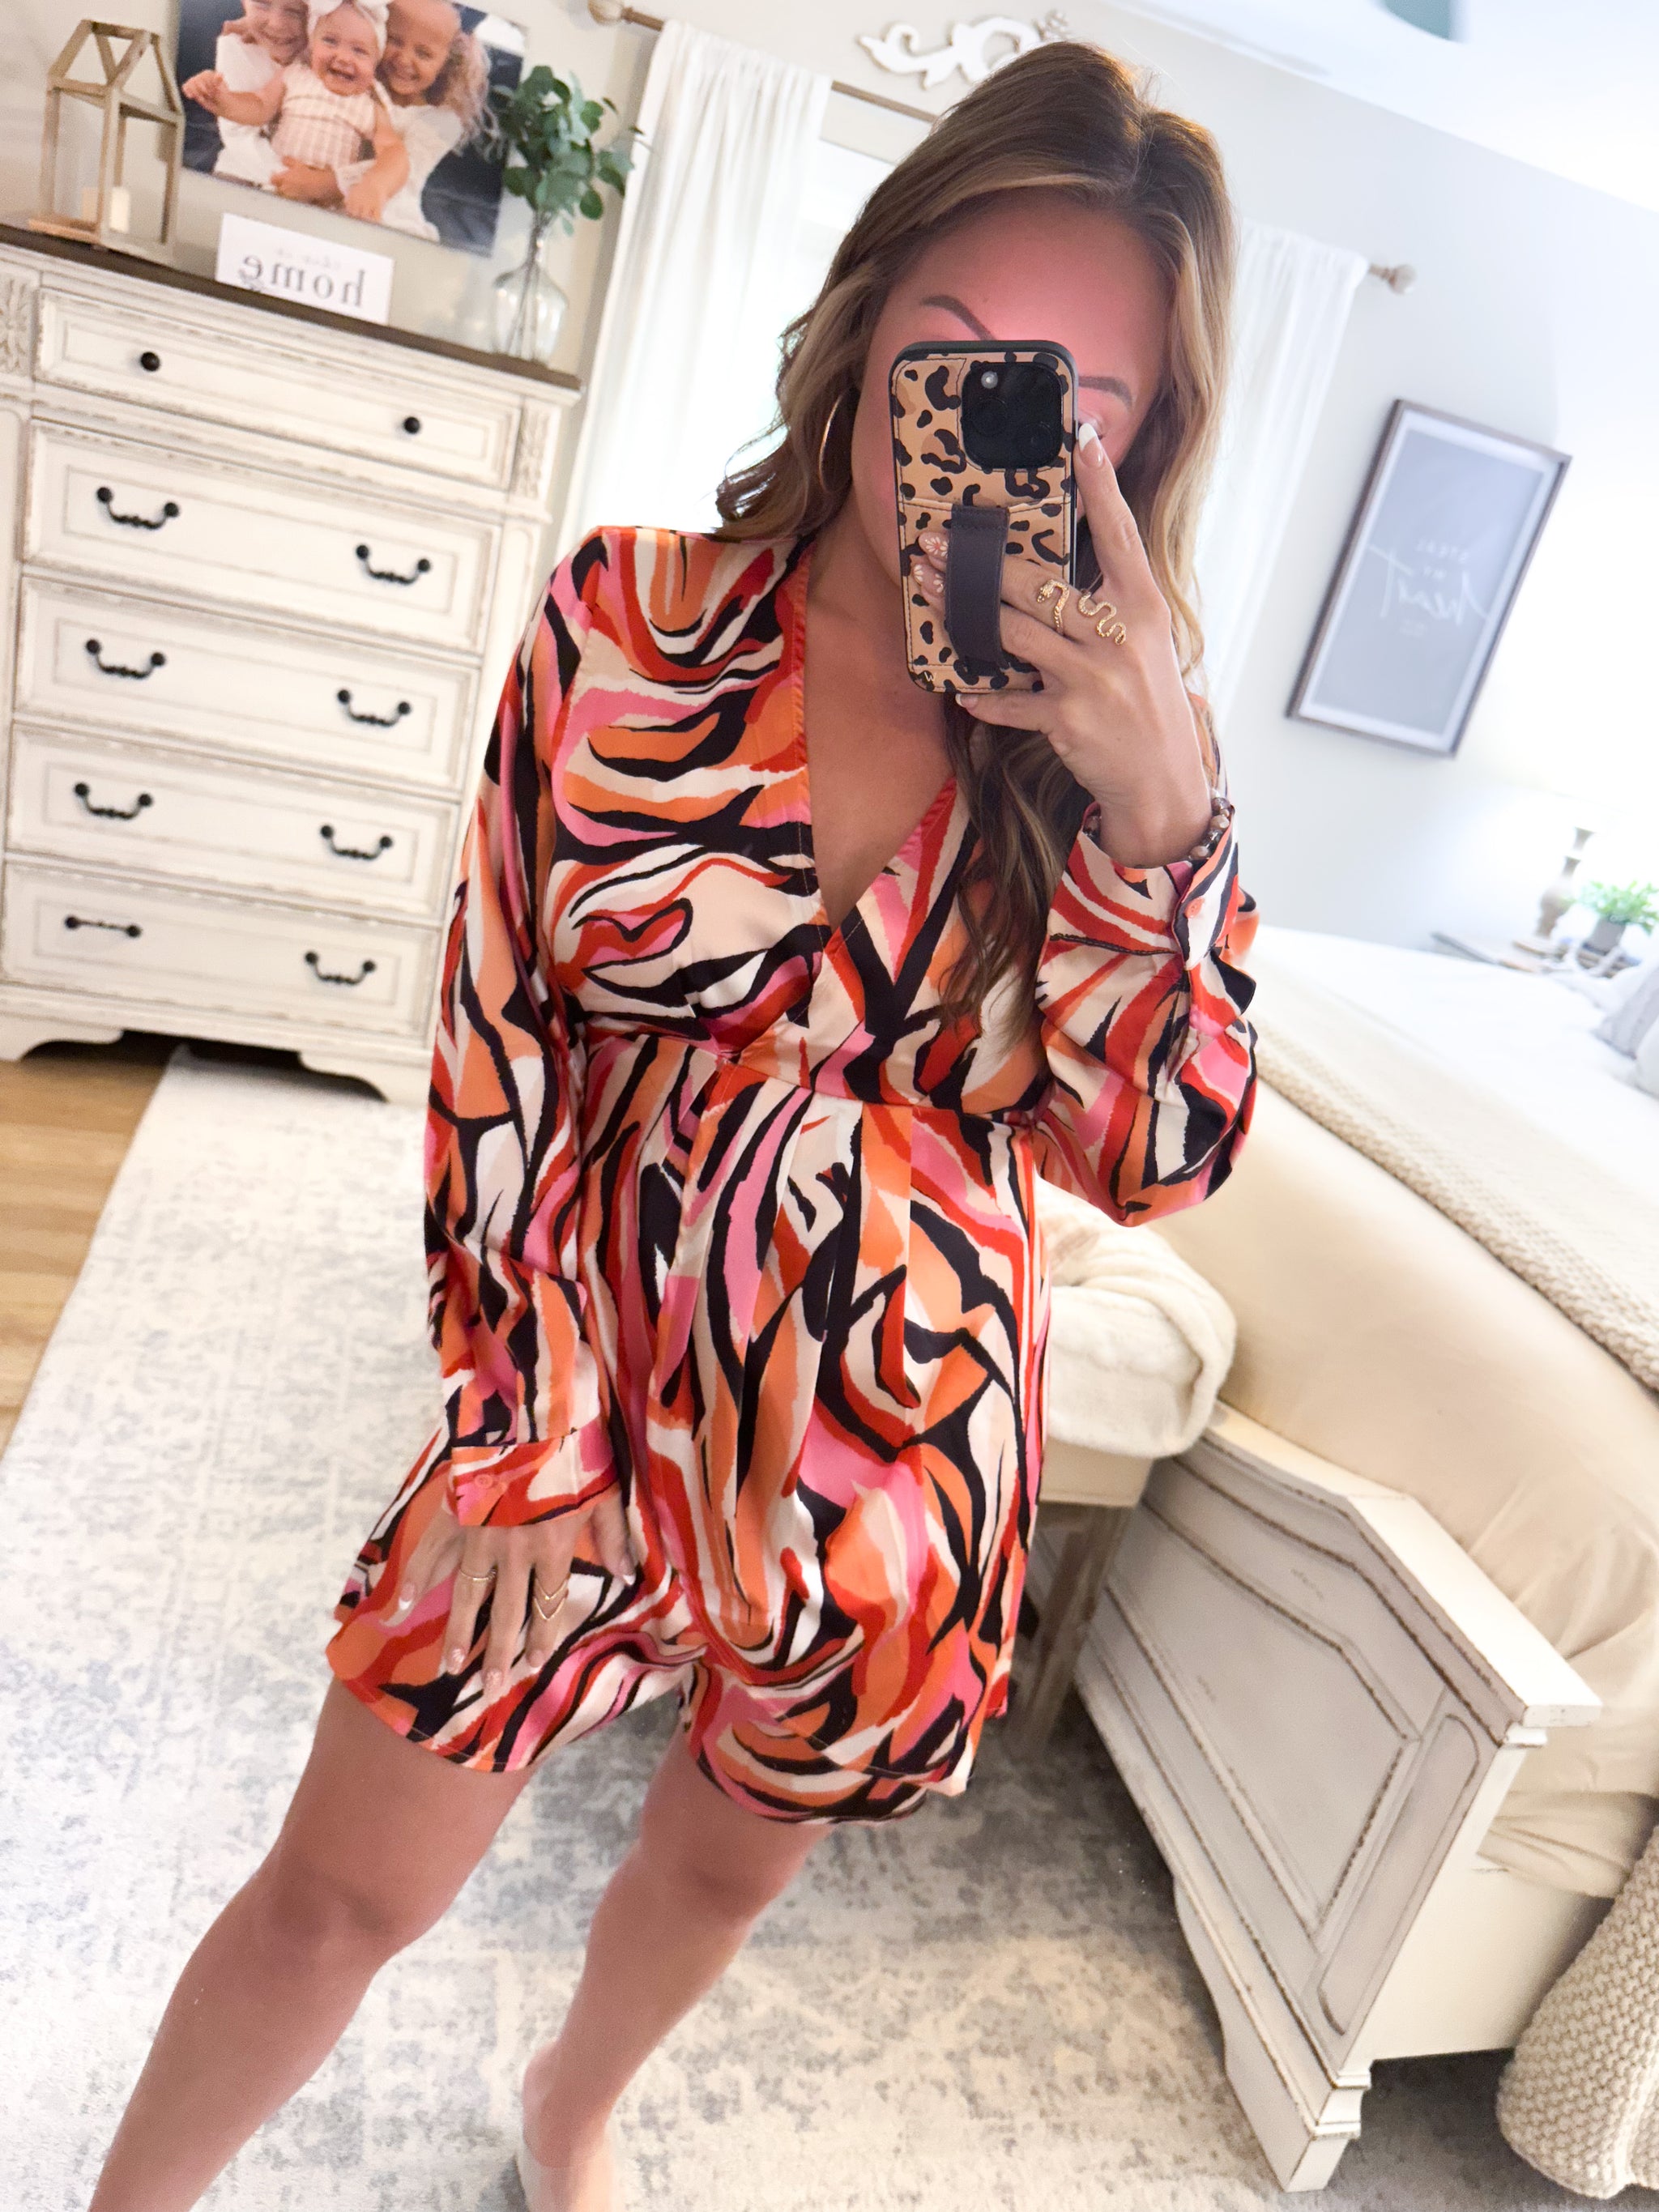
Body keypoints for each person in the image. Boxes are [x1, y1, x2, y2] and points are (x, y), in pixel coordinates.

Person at [89, 37, 1257, 2212]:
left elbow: (1151, 1161)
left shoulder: (1129, 755)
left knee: (722, 1864)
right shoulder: (627, 622)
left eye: (1075, 396)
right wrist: (515, 1422)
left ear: (1140, 438)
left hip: (900, 1449)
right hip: (585, 1397)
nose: (994, 422)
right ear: (867, 313)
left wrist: (1159, 827)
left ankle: (576, 2102)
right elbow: (499, 1036)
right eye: (957, 345)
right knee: (341, 1893)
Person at [182, 0, 409, 225]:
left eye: (359, 51)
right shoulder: (295, 74)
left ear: (375, 64)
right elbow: (259, 106)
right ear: (312, 44)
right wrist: (222, 98)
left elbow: (394, 151)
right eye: (330, 41)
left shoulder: (370, 105)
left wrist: (376, 185)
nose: (343, 57)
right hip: (273, 187)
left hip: (329, 208)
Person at [196, 0, 310, 189]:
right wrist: (285, 179)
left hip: (313, 179)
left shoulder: (335, 59)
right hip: (244, 170)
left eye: (296, 12)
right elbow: (238, 135)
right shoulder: (236, 44)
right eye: (262, 4)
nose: (276, 24)